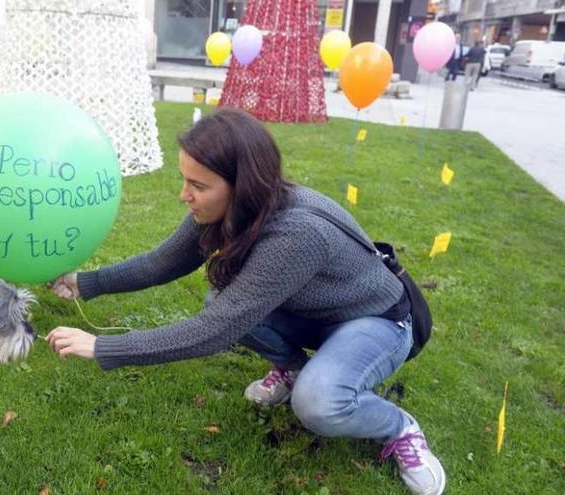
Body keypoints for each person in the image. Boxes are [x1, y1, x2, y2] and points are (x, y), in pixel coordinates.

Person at [46, 108, 445, 495]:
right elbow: (162, 262)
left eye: (198, 186)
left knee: (318, 403)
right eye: (185, 180)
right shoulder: (227, 209)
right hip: (318, 313)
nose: (184, 195)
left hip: (378, 322)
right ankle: (292, 371)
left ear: (242, 186)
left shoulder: (296, 234)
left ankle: (399, 427)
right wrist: (86, 283)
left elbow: (216, 331)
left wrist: (103, 346)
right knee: (221, 298)